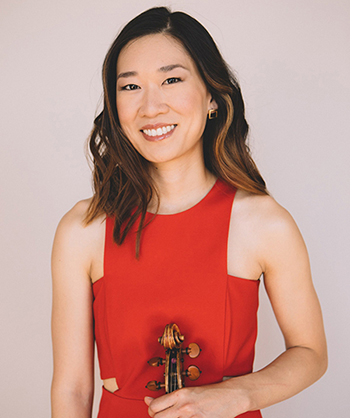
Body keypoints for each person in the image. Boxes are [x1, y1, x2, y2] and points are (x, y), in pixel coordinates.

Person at [51, 6, 327, 418]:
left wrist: (239, 395)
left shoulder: (263, 222)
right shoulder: (83, 229)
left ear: (212, 95)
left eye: (172, 80)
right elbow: (73, 388)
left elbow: (310, 353)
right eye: (130, 88)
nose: (151, 106)